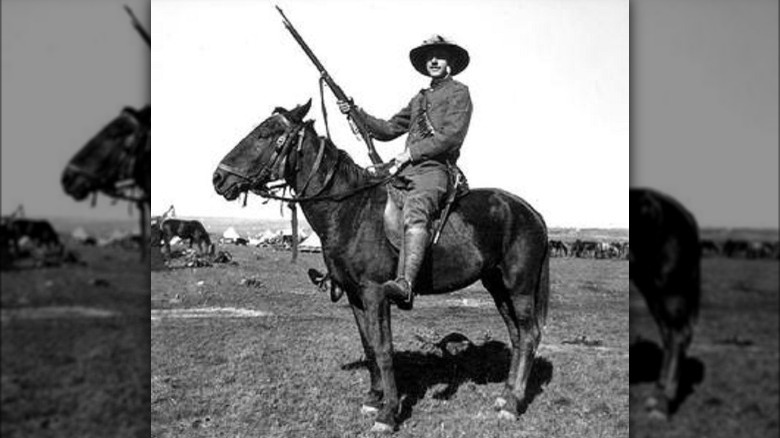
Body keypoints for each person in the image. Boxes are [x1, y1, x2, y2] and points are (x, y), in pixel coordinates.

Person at [337, 35, 473, 310]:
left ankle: (405, 284)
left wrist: (410, 153)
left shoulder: (459, 93)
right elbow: (388, 129)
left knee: (415, 209)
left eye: (439, 56)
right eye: (429, 57)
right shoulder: (419, 99)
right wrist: (355, 112)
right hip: (406, 172)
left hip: (434, 171)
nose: (433, 61)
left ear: (450, 63)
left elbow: (450, 137)